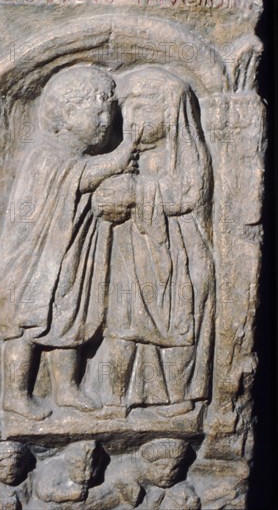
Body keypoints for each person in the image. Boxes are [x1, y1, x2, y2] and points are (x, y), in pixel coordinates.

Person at [0, 65, 139, 420]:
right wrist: (120, 157)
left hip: (70, 258)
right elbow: (79, 178)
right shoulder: (48, 158)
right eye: (97, 111)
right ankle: (14, 394)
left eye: (110, 112)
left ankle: (66, 388)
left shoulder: (78, 160)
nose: (106, 121)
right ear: (66, 115)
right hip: (34, 264)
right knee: (26, 328)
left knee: (69, 319)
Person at [86, 67, 215, 415]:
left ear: (171, 111)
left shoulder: (188, 153)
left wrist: (136, 191)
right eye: (126, 108)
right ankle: (114, 399)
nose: (130, 118)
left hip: (178, 256)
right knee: (122, 327)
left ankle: (179, 397)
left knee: (179, 328)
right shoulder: (122, 155)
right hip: (129, 252)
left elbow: (188, 193)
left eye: (143, 107)